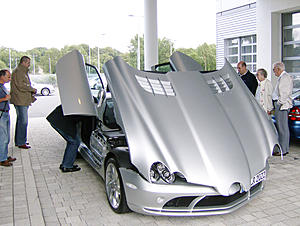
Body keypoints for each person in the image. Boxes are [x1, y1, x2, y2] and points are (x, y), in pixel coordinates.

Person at [10, 56, 37, 149]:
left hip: (21, 99)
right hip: (20, 100)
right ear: (24, 62)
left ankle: (20, 140)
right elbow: (21, 85)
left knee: (21, 120)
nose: (29, 65)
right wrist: (32, 89)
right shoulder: (19, 71)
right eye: (28, 63)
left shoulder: (21, 71)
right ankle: (21, 142)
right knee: (23, 121)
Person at [46, 105, 81, 172]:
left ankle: (65, 164)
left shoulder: (78, 101)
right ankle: (67, 166)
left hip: (55, 118)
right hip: (60, 122)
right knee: (74, 142)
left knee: (72, 141)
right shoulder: (84, 108)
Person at [272, 62, 293, 156]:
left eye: (274, 70)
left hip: (282, 106)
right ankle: (284, 148)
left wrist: (278, 103)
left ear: (278, 69)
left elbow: (284, 93)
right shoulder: (283, 77)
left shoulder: (285, 78)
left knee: (282, 129)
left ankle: (283, 149)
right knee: (282, 128)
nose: (274, 72)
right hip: (281, 105)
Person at [0, 69, 16, 166]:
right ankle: (2, 159)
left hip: (5, 113)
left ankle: (4, 155)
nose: (10, 79)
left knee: (6, 137)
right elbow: (4, 98)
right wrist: (4, 99)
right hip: (1, 114)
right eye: (8, 76)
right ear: (2, 76)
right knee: (3, 137)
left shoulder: (3, 86)